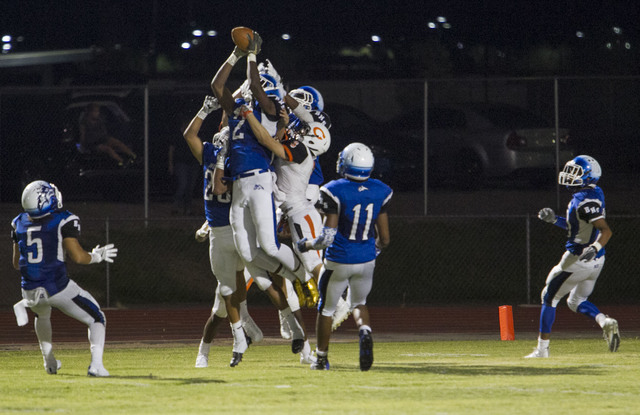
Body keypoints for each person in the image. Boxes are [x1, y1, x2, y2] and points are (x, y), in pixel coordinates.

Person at [210, 36, 310, 303]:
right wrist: (234, 55)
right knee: (248, 252)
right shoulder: (237, 111)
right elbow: (217, 85)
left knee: (269, 244)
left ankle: (305, 276)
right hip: (239, 186)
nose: (252, 89)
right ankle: (292, 278)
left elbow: (255, 84)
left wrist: (251, 55)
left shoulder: (270, 110)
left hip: (259, 181)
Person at [299, 143, 392, 371]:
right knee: (359, 303)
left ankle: (321, 358)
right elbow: (386, 238)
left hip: (339, 259)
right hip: (366, 259)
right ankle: (365, 332)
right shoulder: (380, 189)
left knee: (327, 308)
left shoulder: (334, 189)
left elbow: (327, 237)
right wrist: (373, 251)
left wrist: (308, 244)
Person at [11, 180, 117, 376]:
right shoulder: (62, 219)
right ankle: (96, 366)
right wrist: (97, 256)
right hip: (57, 286)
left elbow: (17, 263)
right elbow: (78, 256)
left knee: (42, 315)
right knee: (96, 317)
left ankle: (49, 362)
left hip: (29, 289)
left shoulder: (18, 222)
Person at [525, 155, 619, 358]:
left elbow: (606, 231)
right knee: (576, 300)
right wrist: (554, 220)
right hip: (597, 261)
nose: (569, 176)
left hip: (578, 258)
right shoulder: (594, 192)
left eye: (575, 172)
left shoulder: (583, 200)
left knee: (549, 297)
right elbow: (578, 226)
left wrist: (594, 246)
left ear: (588, 175)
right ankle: (605, 321)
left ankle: (542, 350)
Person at [79, 103, 137, 167]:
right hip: (93, 144)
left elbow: (104, 132)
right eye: (95, 111)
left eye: (98, 111)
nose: (97, 113)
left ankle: (134, 156)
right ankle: (122, 161)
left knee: (117, 143)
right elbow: (83, 136)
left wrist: (105, 138)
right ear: (90, 112)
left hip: (103, 139)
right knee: (108, 149)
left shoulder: (99, 121)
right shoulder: (84, 123)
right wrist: (84, 146)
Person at [168, 116, 201, 216]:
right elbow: (171, 150)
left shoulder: (194, 135)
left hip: (193, 163)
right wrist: (170, 164)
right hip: (181, 163)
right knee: (183, 185)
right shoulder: (178, 136)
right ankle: (176, 206)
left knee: (190, 187)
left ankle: (188, 209)